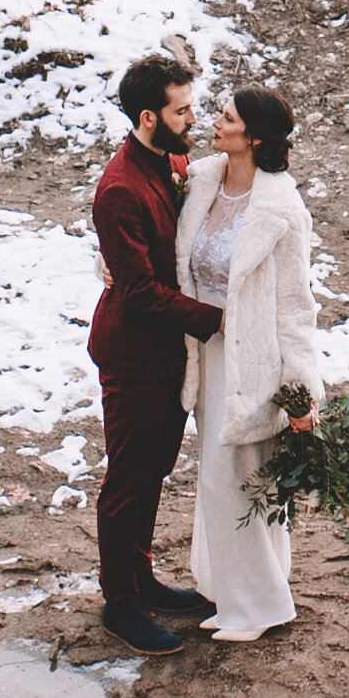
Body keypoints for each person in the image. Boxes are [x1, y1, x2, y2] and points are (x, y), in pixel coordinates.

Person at [89, 55, 225, 656]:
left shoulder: (171, 161)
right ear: (149, 117)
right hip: (135, 353)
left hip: (172, 353)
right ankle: (120, 603)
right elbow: (140, 291)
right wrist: (220, 320)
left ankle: (142, 578)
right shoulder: (118, 190)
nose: (193, 118)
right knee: (127, 478)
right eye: (182, 110)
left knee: (155, 472)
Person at [176, 87, 323, 641]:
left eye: (227, 117)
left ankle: (259, 607)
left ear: (254, 136)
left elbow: (294, 303)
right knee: (237, 481)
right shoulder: (202, 181)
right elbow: (169, 249)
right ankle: (231, 592)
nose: (214, 122)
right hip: (205, 353)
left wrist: (300, 387)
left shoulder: (281, 208)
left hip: (253, 358)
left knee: (228, 480)